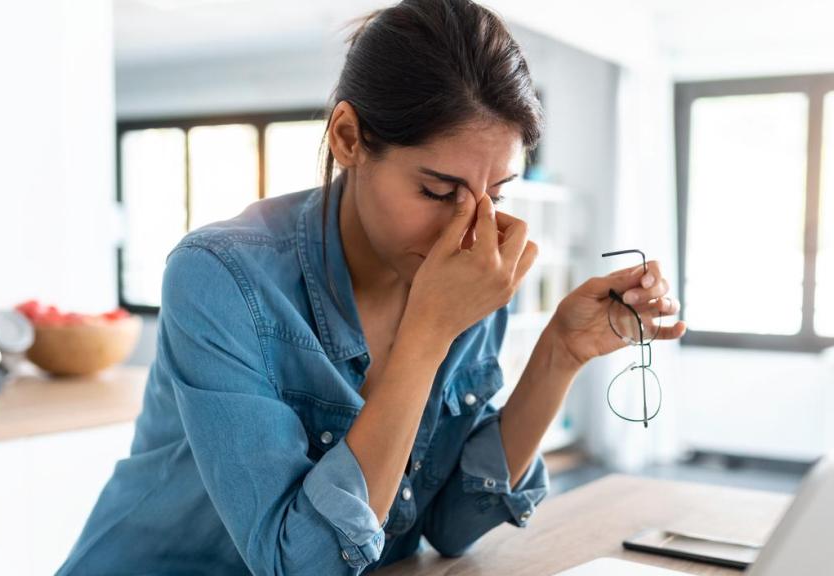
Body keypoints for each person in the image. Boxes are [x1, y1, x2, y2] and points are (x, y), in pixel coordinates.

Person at [56, 0, 686, 574]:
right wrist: (427, 334)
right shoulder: (221, 276)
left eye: (497, 194)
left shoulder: (471, 271)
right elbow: (301, 563)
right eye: (438, 192)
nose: (470, 230)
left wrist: (559, 354)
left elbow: (450, 524)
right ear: (348, 138)